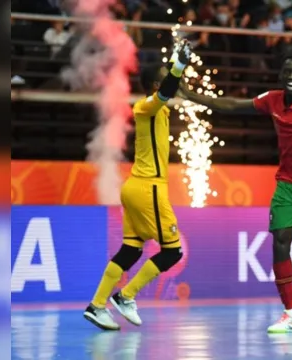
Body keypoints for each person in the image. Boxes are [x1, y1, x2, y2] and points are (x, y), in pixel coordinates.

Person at [179, 52, 292, 333]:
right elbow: (231, 104)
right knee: (280, 240)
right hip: (287, 185)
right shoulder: (272, 100)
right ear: (281, 76)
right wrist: (193, 96)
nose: (291, 77)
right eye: (286, 72)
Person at [84, 42, 191, 331]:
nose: (170, 78)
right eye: (166, 75)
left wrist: (175, 69)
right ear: (156, 85)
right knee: (172, 252)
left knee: (130, 250)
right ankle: (126, 296)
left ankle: (96, 306)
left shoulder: (157, 110)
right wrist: (178, 68)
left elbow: (167, 93)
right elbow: (166, 92)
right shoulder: (147, 106)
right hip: (148, 189)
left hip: (135, 187)